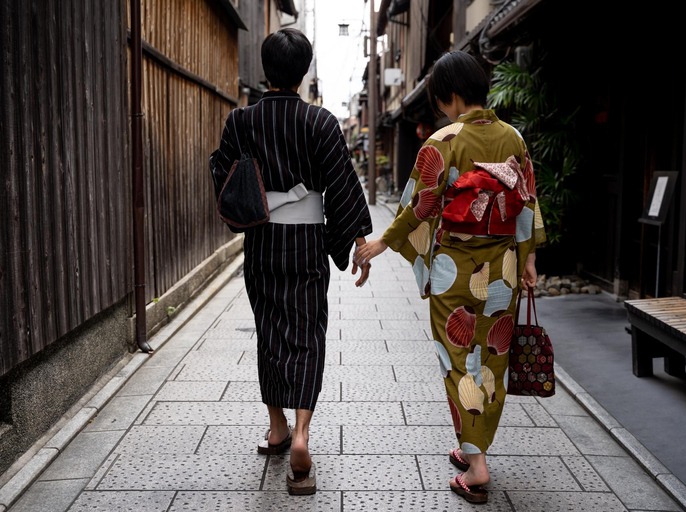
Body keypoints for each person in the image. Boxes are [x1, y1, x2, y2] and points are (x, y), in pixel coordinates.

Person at [354, 51, 546, 504]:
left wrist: (381, 243)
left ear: (453, 96)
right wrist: (530, 259)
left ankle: (477, 468)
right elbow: (528, 201)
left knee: (459, 361)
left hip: (453, 272)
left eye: (441, 101)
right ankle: (473, 446)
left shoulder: (443, 141)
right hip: (503, 267)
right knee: (493, 357)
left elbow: (420, 205)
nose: (441, 109)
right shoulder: (514, 138)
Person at [209, 28, 372, 495]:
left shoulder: (241, 121)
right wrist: (358, 240)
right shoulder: (320, 123)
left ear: (266, 70)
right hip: (306, 244)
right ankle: (301, 436)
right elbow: (341, 185)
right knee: (306, 334)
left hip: (262, 241)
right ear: (303, 72)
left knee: (270, 332)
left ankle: (277, 428)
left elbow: (223, 172)